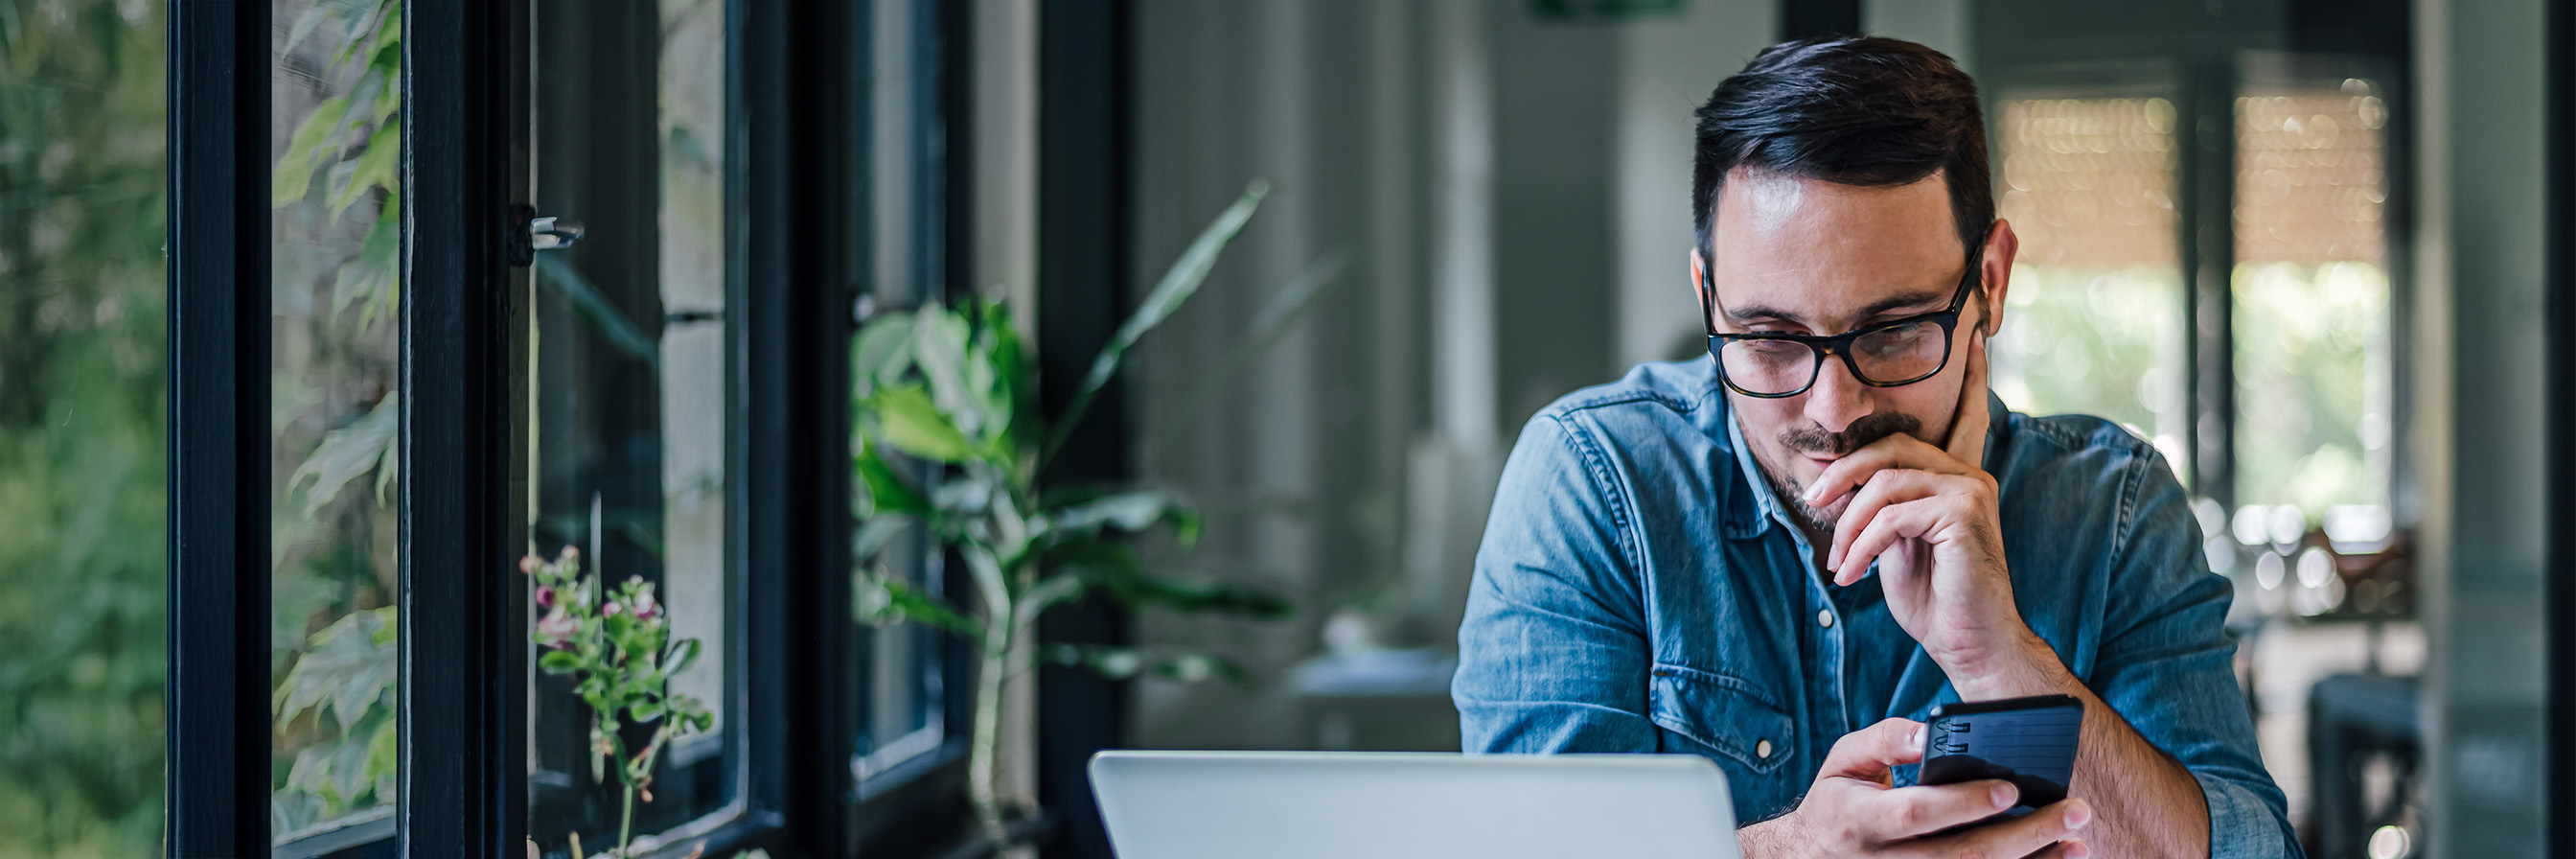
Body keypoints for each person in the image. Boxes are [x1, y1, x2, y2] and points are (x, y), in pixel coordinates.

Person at [1451, 35, 2297, 858]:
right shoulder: (1594, 483)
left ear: (1989, 284)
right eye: (1770, 338)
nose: (1832, 408)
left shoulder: (2111, 509)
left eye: (1892, 331)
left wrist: (1996, 656)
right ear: (1709, 299)